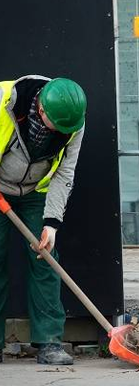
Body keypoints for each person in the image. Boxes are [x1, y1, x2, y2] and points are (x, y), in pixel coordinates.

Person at [0, 75, 86, 365]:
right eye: (56, 126)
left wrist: (52, 222)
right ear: (41, 110)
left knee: (46, 258)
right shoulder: (4, 102)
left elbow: (64, 173)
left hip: (37, 190)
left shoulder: (73, 121)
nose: (60, 133)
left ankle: (49, 341)